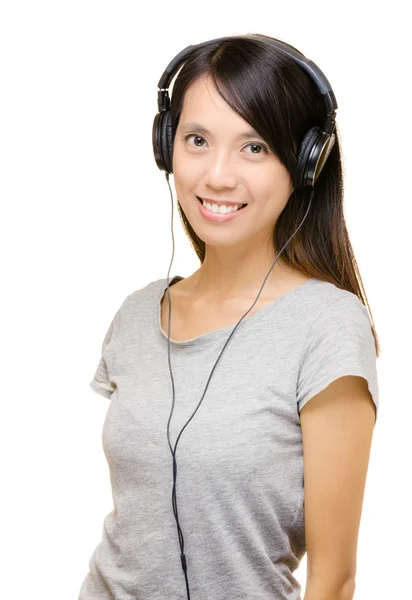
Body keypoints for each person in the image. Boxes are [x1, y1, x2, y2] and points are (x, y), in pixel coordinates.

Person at [78, 33, 380, 600]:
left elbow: (334, 582)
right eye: (197, 139)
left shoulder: (327, 327)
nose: (217, 175)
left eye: (255, 147)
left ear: (306, 163)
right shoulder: (138, 313)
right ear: (166, 146)